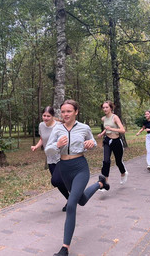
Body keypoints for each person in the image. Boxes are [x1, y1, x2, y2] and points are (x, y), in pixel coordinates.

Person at [45, 100, 109, 256]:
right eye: (63, 111)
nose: (65, 114)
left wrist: (90, 144)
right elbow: (48, 150)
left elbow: (93, 142)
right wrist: (57, 145)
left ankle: (64, 248)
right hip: (64, 168)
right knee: (81, 200)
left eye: (68, 111)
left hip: (80, 167)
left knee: (72, 204)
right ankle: (101, 183)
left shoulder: (84, 128)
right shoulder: (58, 129)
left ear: (76, 112)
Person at [31, 106, 69, 212]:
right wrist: (36, 146)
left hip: (61, 156)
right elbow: (42, 138)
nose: (46, 118)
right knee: (57, 182)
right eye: (44, 115)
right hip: (50, 157)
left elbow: (66, 139)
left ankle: (73, 195)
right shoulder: (41, 125)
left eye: (48, 116)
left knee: (56, 180)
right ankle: (70, 199)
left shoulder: (59, 126)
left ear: (53, 116)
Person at [97, 101, 127, 186]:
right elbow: (106, 128)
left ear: (111, 108)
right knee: (106, 161)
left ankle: (123, 173)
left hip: (116, 141)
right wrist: (102, 134)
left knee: (118, 162)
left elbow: (122, 130)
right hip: (107, 141)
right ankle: (104, 182)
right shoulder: (103, 118)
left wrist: (112, 129)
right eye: (103, 107)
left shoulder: (115, 117)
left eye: (107, 107)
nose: (105, 109)